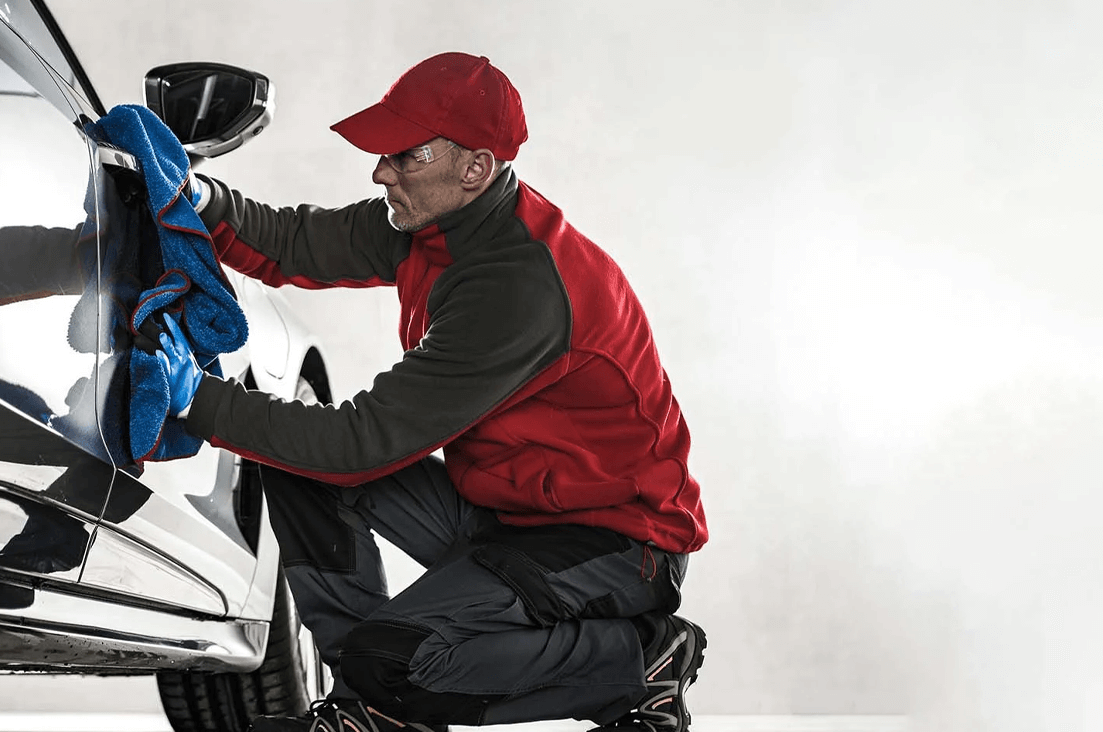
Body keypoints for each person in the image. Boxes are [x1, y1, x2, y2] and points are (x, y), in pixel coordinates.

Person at [148, 52, 709, 732]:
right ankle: (369, 714)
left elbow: (360, 443)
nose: (381, 171)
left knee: (396, 660)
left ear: (475, 167)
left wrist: (197, 399)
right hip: (506, 511)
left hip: (611, 543)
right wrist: (199, 198)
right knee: (294, 463)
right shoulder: (436, 222)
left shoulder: (518, 286)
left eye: (405, 156)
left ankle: (642, 663)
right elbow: (297, 242)